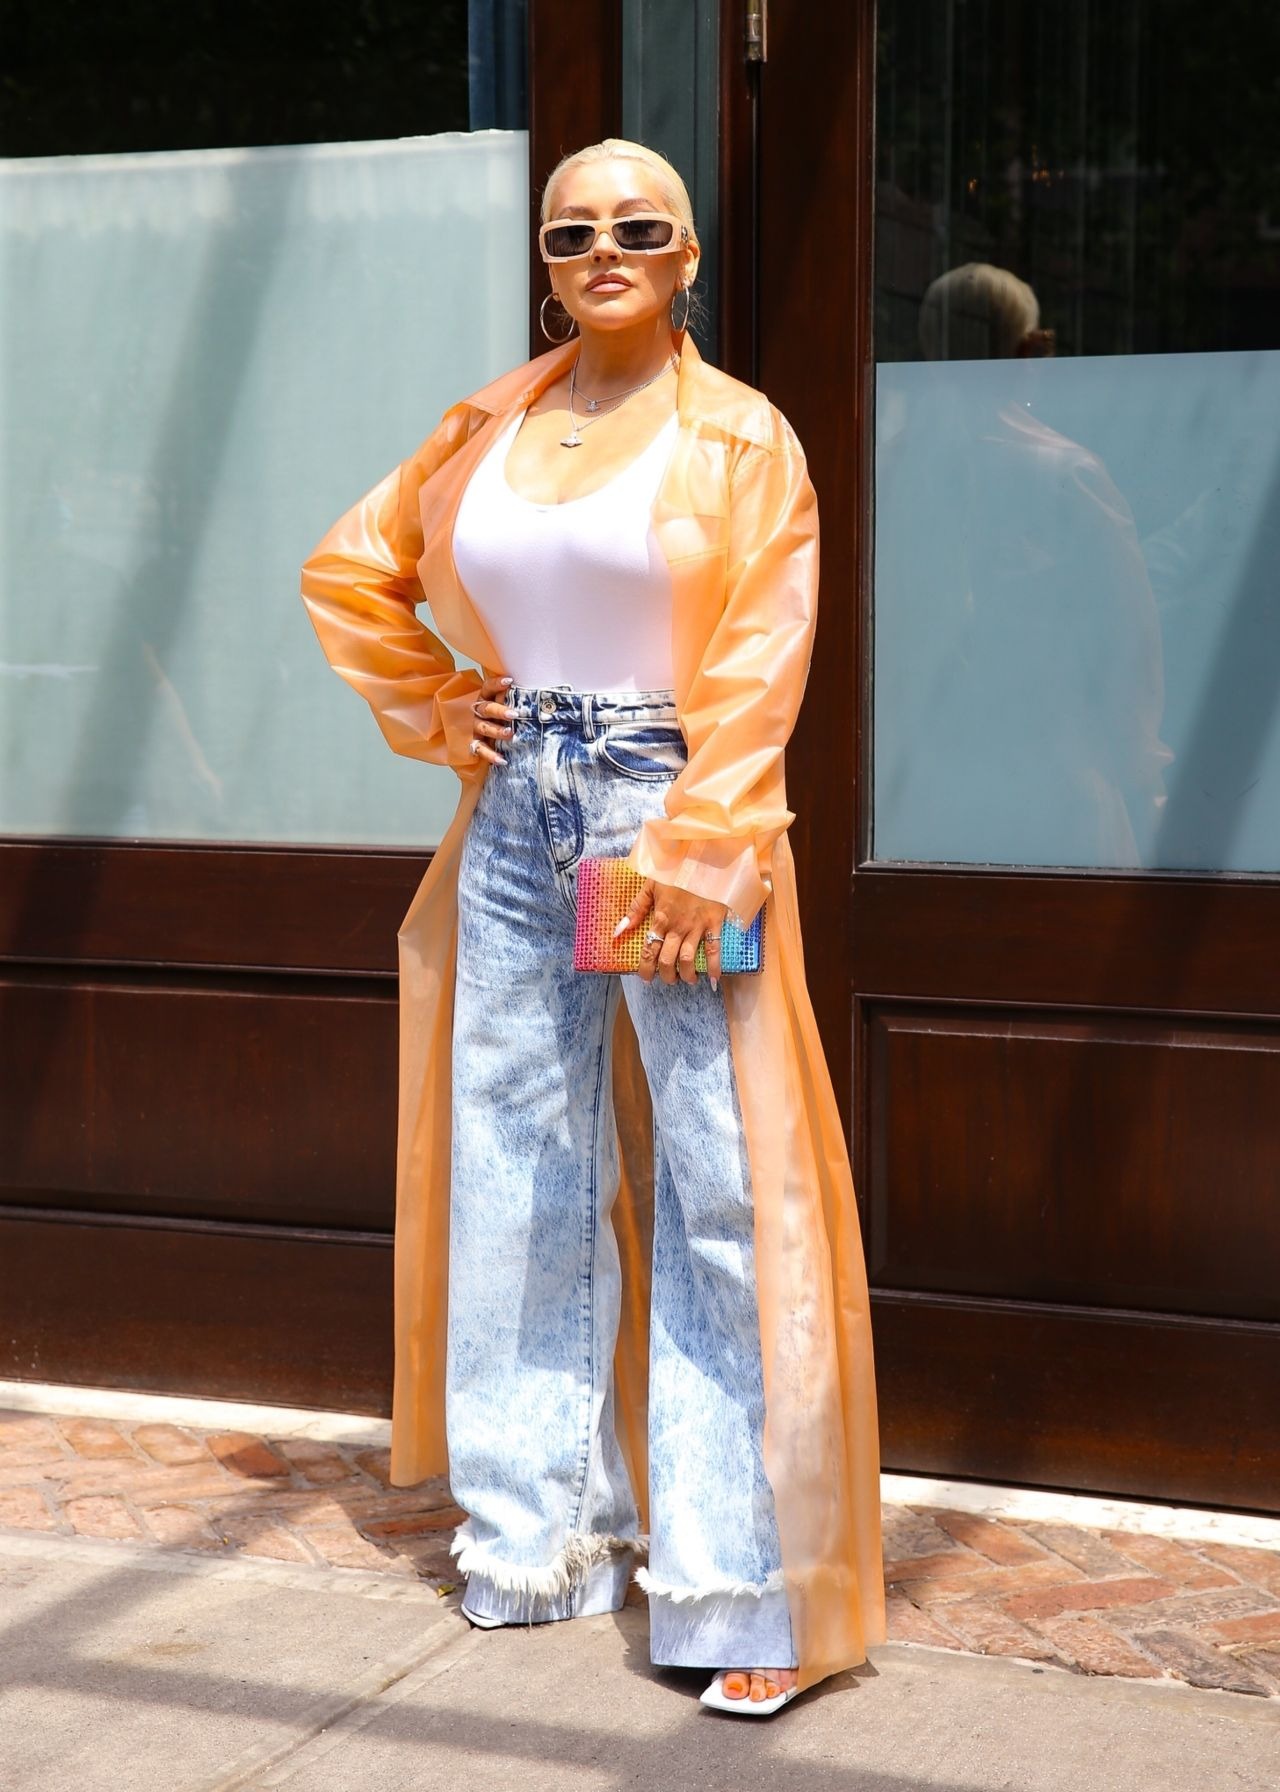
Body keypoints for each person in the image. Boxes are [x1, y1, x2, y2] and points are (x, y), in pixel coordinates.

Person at [300, 136, 884, 1714]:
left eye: (638, 226)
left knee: (718, 1179)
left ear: (686, 256)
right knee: (514, 1167)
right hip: (518, 811)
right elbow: (350, 574)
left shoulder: (740, 435)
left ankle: (737, 1585)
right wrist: (438, 706)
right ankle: (536, 1538)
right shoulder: (483, 426)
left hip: (662, 813)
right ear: (547, 263)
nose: (604, 249)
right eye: (573, 233)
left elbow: (760, 658)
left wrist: (703, 845)